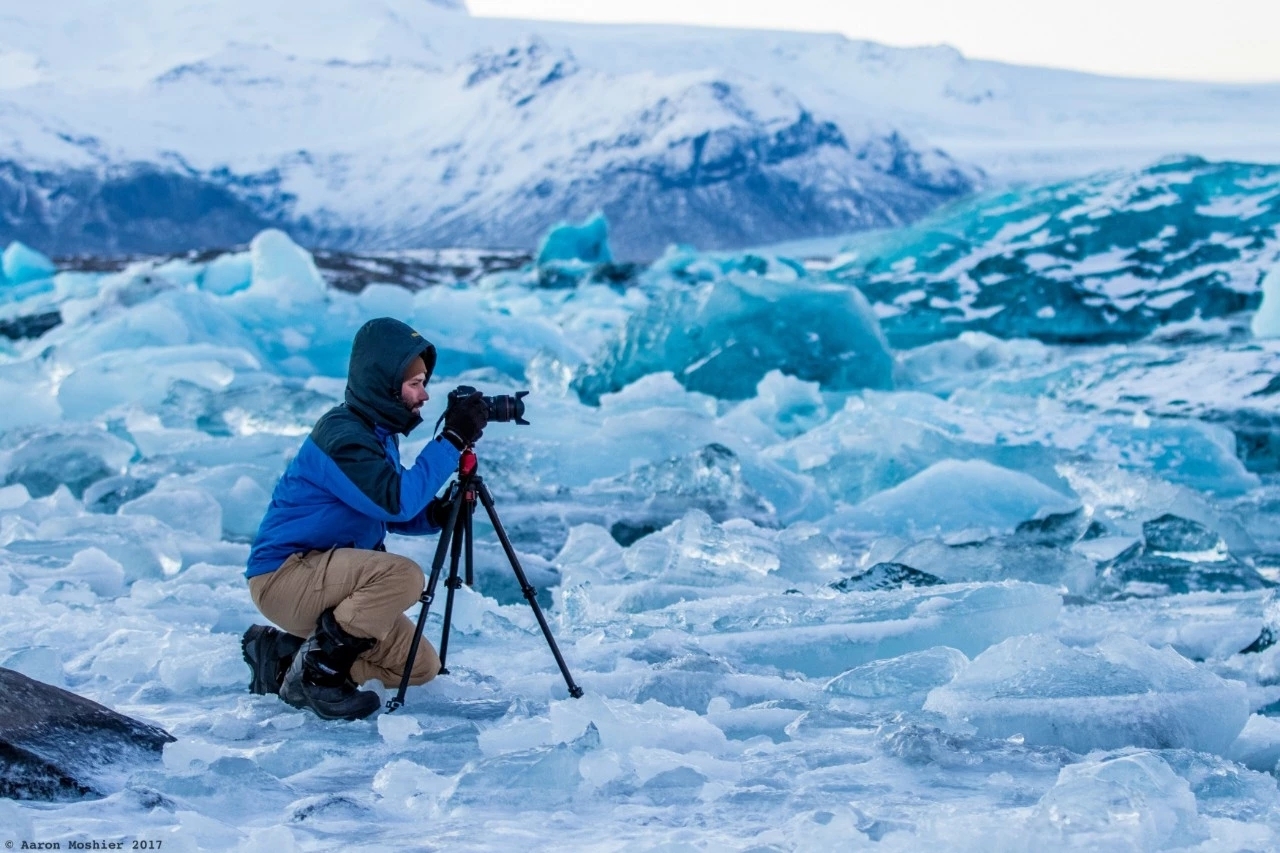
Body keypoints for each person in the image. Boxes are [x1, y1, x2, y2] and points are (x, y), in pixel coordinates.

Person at [240, 317, 489, 720]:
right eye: (415, 383)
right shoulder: (344, 437)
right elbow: (394, 502)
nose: (425, 395)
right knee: (404, 576)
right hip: (285, 576)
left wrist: (439, 514)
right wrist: (453, 440)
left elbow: (384, 509)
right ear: (384, 382)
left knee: (419, 669)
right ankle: (319, 675)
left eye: (424, 382)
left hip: (327, 574)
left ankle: (284, 659)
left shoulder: (375, 432)